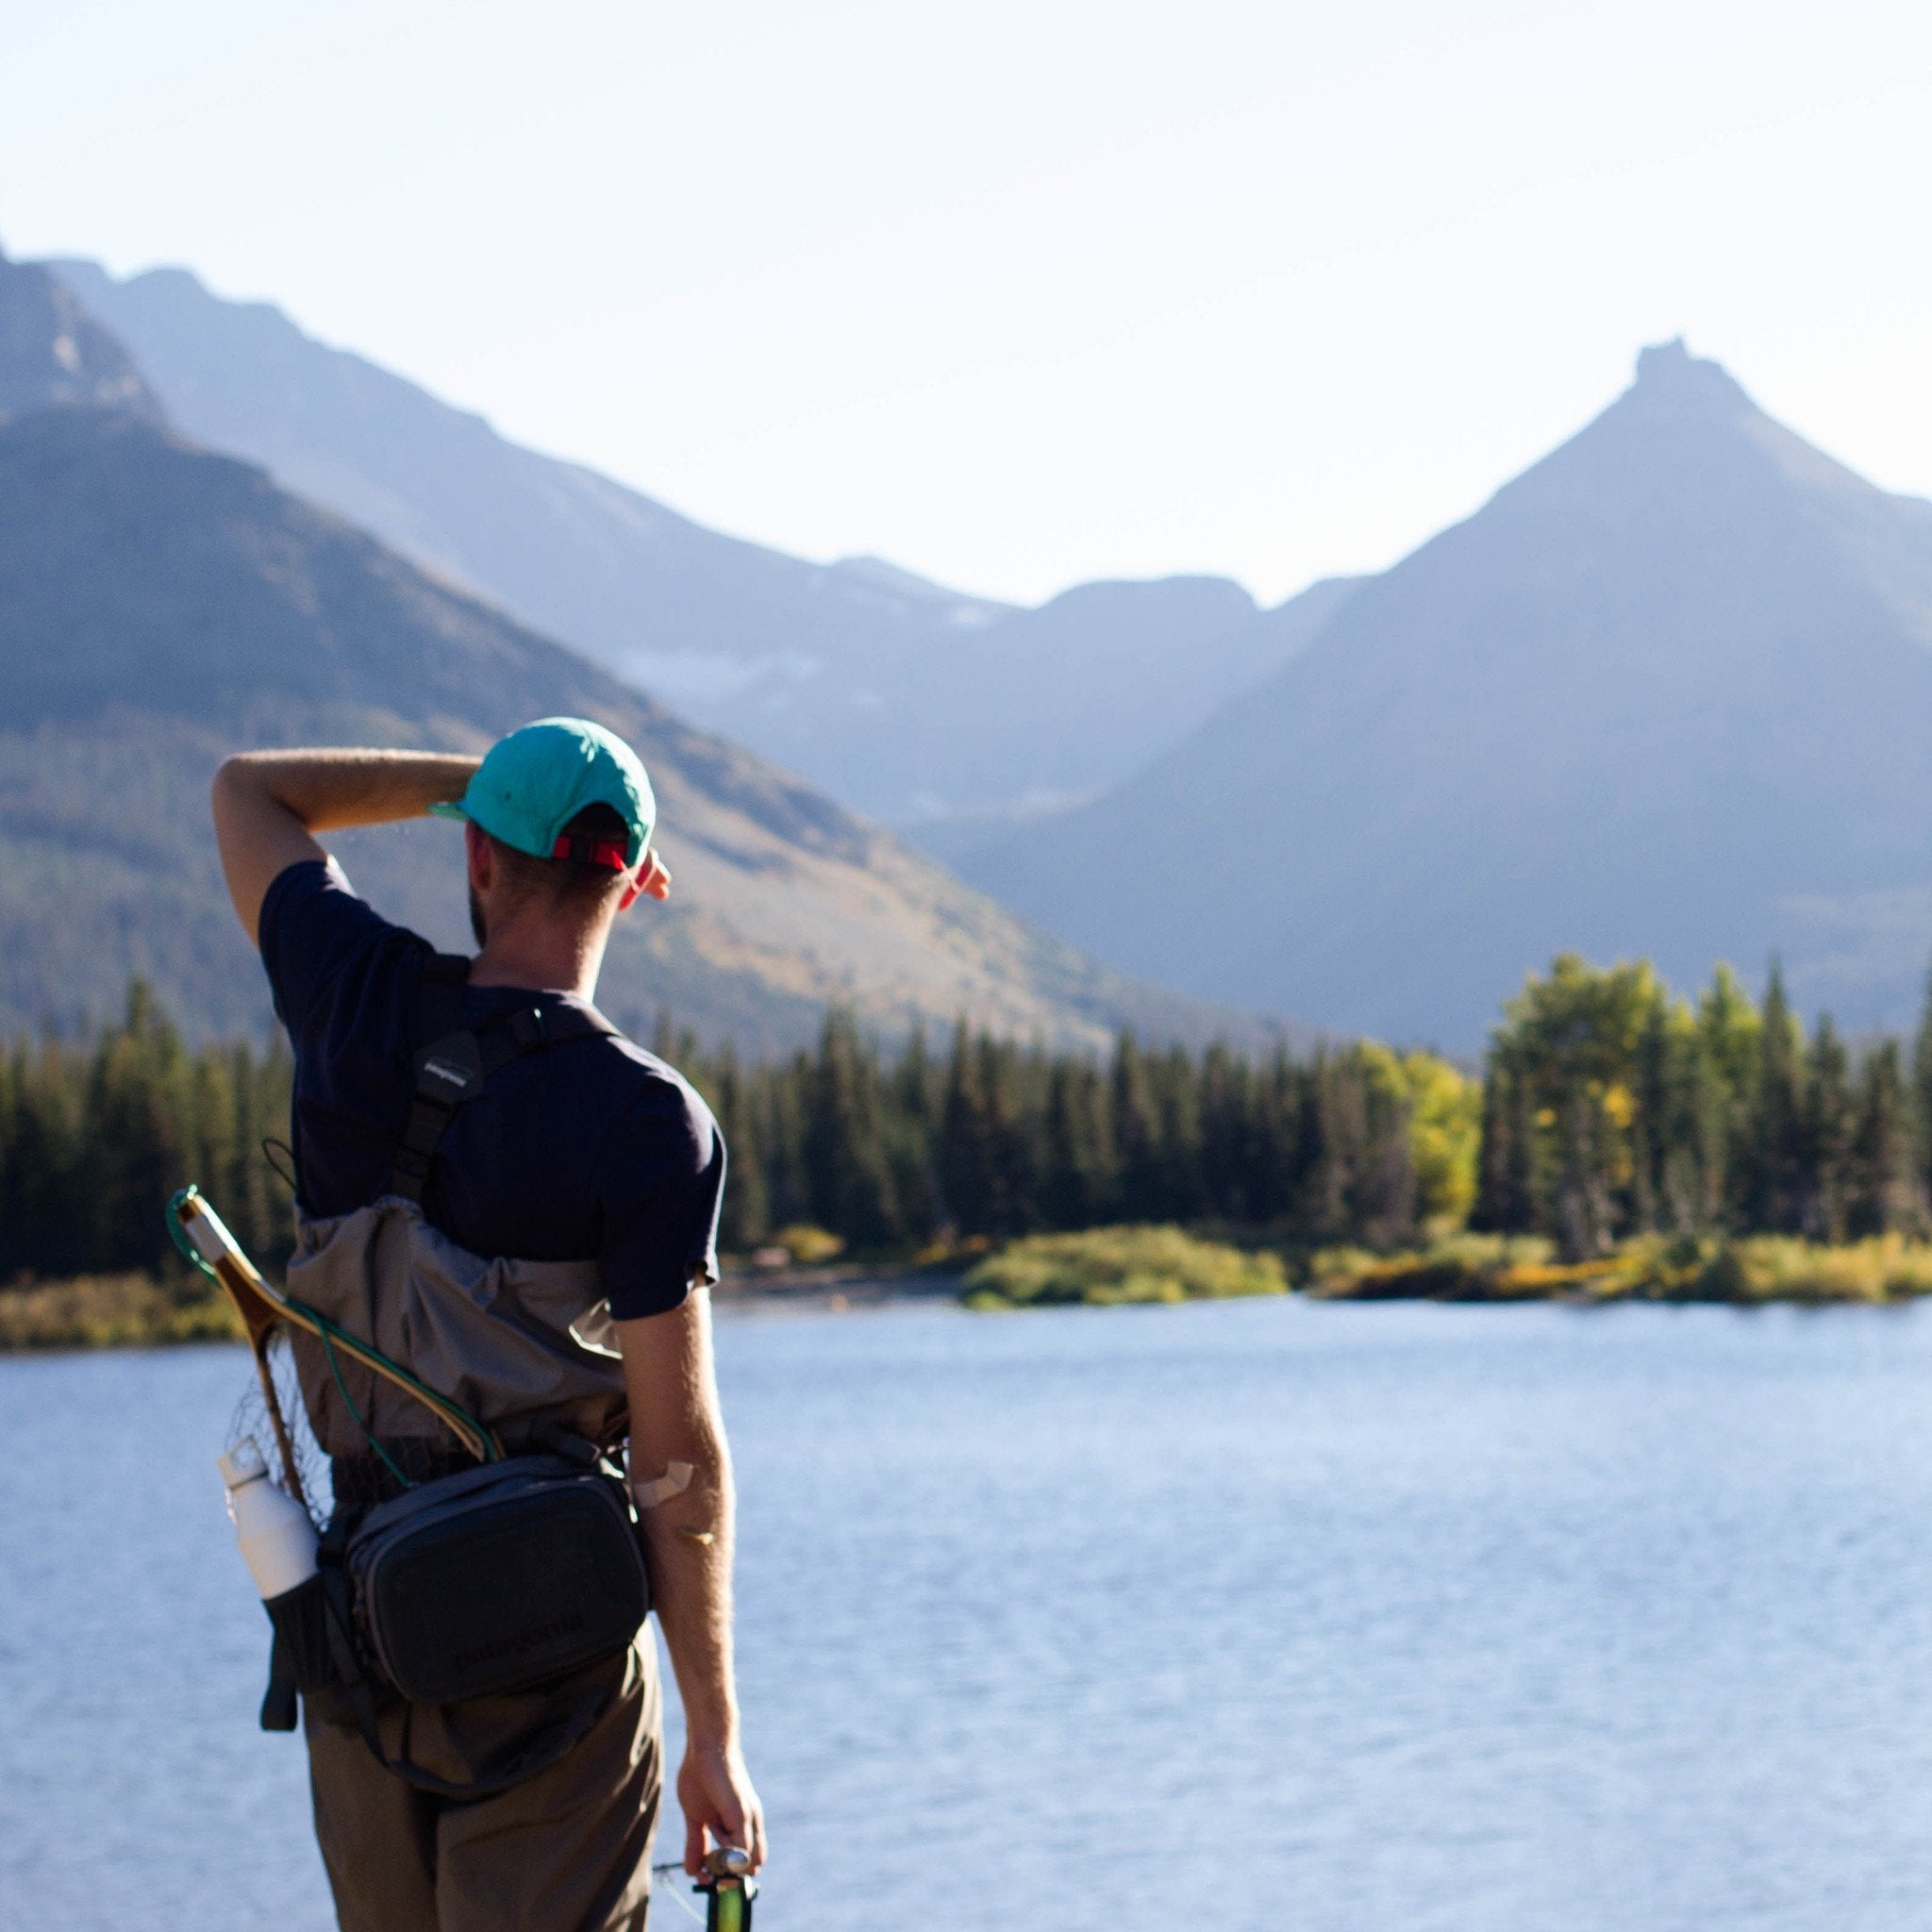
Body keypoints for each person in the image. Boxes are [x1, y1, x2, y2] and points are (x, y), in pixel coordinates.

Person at [210, 717, 765, 1932]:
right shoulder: (650, 1123)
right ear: (628, 883)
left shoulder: (348, 988)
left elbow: (250, 789)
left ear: (479, 864)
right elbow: (682, 1463)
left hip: (365, 1641)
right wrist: (713, 1736)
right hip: (555, 1661)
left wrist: (477, 788)